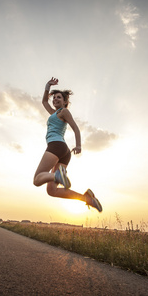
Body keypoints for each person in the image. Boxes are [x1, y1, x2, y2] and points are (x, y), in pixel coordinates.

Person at [33, 77, 102, 212]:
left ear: (65, 102)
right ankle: (87, 198)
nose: (55, 100)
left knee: (37, 179)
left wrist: (79, 145)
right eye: (54, 98)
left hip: (56, 146)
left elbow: (75, 127)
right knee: (52, 191)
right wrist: (48, 86)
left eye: (59, 98)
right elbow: (44, 101)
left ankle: (57, 175)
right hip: (63, 152)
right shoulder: (54, 113)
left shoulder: (63, 112)